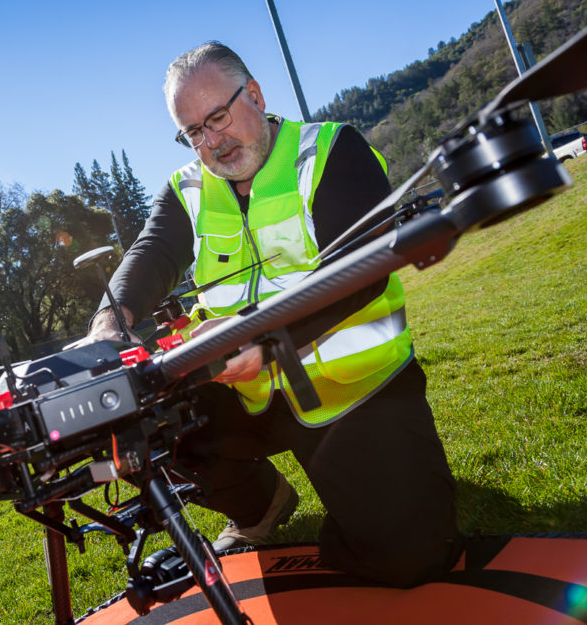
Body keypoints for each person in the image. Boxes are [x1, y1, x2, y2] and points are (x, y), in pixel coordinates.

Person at [80, 41, 459, 587]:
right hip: (241, 392)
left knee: (412, 558)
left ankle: (360, 501)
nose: (211, 142)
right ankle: (260, 507)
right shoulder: (186, 188)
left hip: (353, 388)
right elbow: (149, 256)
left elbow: (362, 270)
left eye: (218, 117)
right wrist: (106, 328)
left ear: (254, 94)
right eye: (194, 132)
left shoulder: (331, 151)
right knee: (141, 414)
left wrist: (262, 333)